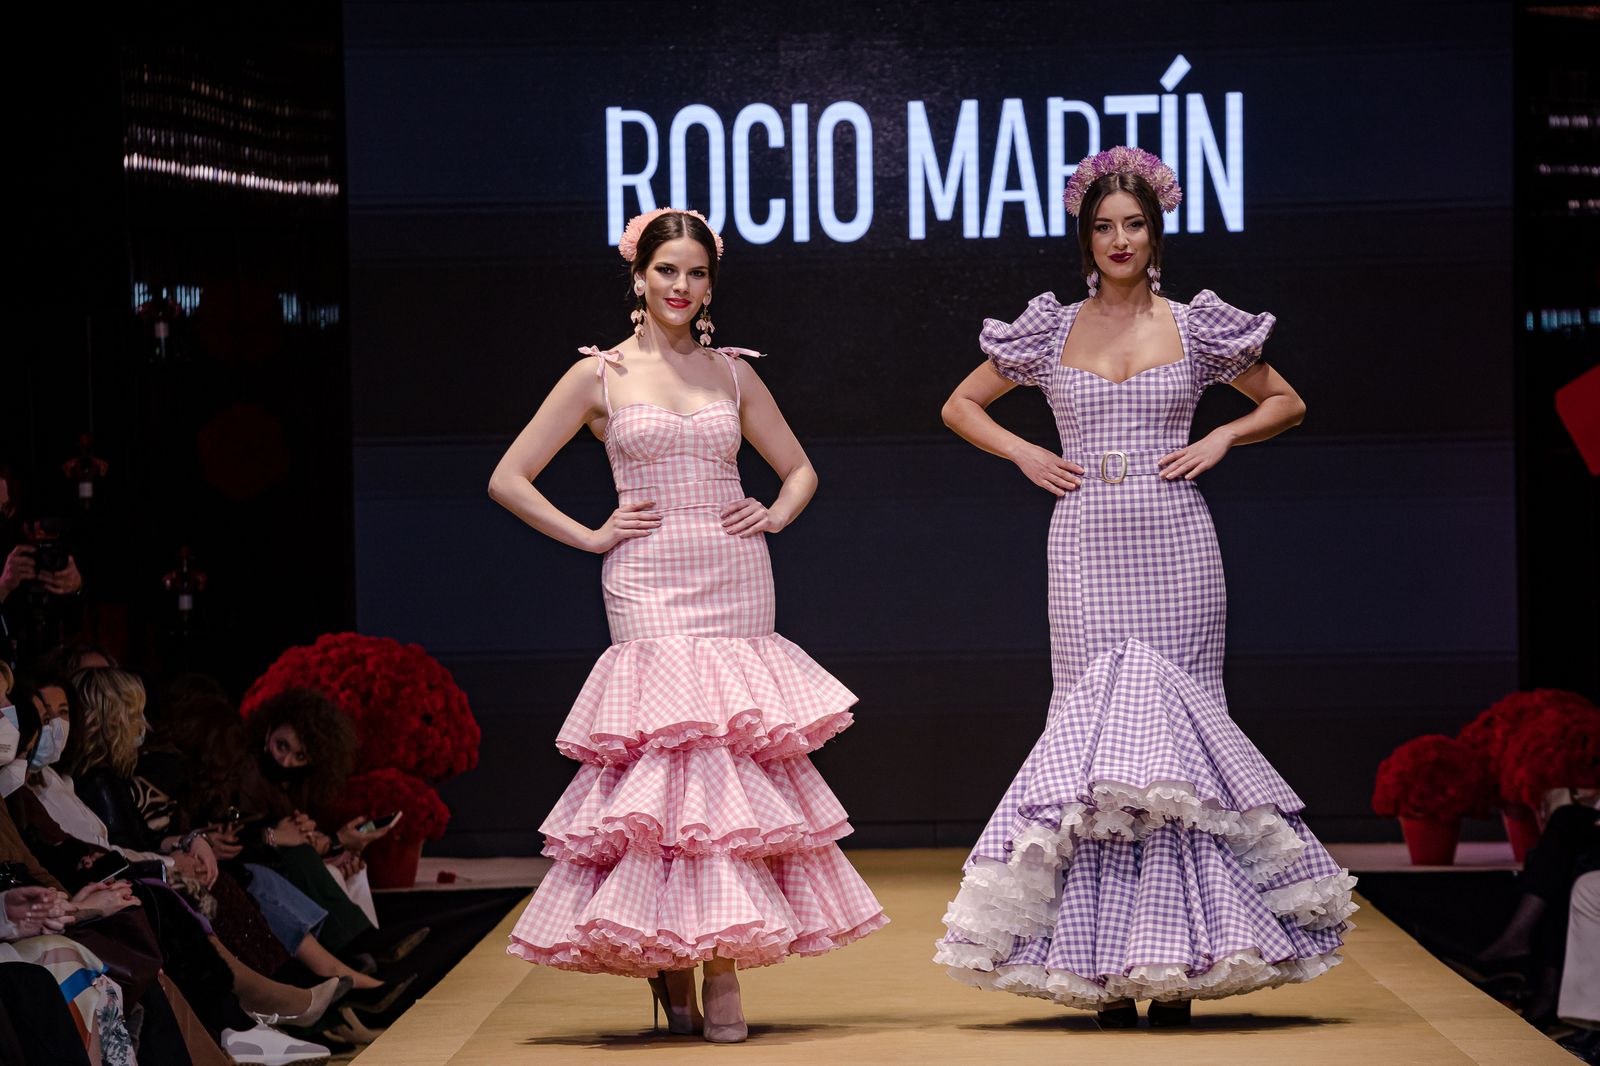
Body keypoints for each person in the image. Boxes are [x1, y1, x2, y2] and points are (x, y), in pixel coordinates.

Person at [933, 147, 1356, 1028]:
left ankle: (1179, 959)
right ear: (1084, 239)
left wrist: (1224, 438)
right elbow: (960, 404)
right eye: (1102, 227)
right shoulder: (1050, 331)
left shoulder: (1197, 326)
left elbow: (1288, 401)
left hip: (1175, 547)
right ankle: (1100, 964)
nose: (1119, 239)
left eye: (1133, 224)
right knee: (1097, 756)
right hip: (1087, 545)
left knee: (1175, 751)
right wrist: (1025, 451)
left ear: (1154, 231)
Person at [489, 207, 887, 1043]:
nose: (681, 286)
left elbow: (800, 466)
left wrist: (774, 512)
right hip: (646, 581)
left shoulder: (732, 375)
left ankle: (724, 970)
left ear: (711, 284)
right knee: (667, 768)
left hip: (732, 578)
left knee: (725, 771)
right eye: (667, 270)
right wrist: (591, 535)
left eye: (696, 273)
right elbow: (510, 477)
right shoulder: (598, 375)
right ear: (639, 276)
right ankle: (672, 963)